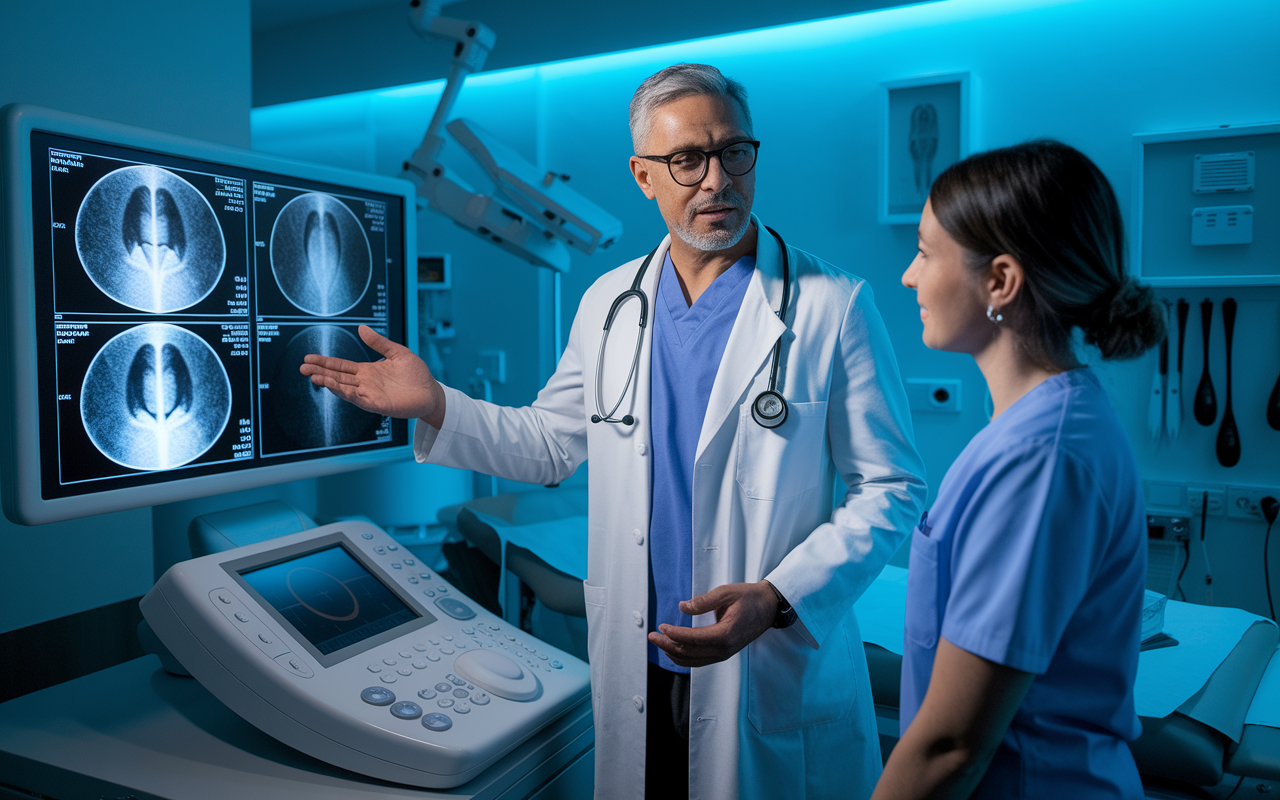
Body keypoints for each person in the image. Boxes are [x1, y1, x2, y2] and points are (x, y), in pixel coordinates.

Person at [301, 63, 926, 800]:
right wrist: (436, 402)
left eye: (734, 152)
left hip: (768, 664)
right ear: (643, 176)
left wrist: (779, 596)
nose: (716, 180)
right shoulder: (609, 304)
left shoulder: (832, 305)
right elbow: (548, 444)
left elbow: (892, 488)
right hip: (641, 662)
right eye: (687, 159)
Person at [875, 140, 1165, 800]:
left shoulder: (1040, 459)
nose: (909, 277)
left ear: (1000, 281)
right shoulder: (1048, 425)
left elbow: (951, 747)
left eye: (924, 252)